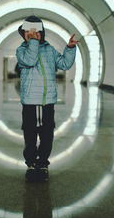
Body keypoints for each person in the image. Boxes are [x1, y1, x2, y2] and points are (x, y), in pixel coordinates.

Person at [16, 16, 79, 182]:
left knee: (47, 135)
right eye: (27, 33)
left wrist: (70, 48)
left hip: (47, 101)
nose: (30, 35)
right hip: (30, 101)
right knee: (30, 135)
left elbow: (64, 64)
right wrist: (33, 42)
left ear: (41, 33)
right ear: (23, 34)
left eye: (34, 32)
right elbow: (30, 60)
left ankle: (43, 164)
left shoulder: (49, 50)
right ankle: (30, 164)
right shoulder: (21, 50)